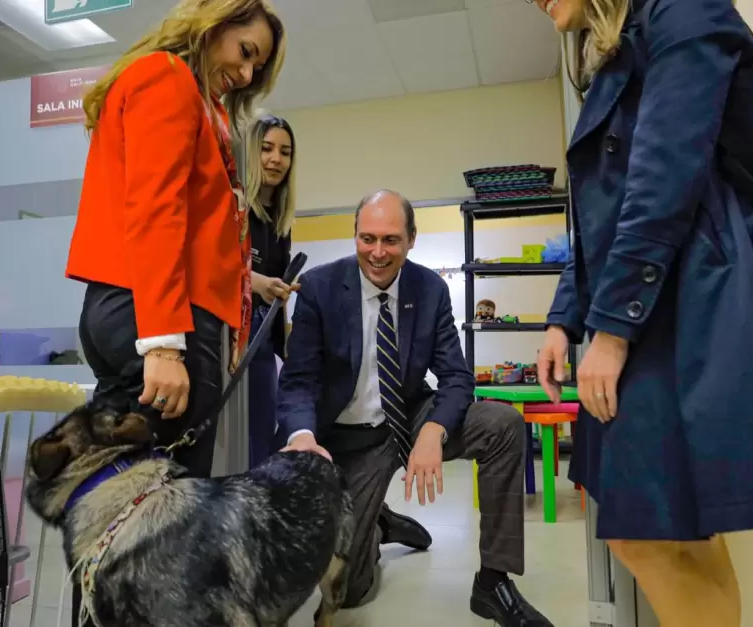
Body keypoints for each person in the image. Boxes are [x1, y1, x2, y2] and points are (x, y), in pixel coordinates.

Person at [533, 2, 753, 627]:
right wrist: (565, 319)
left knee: (651, 530)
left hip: (694, 300)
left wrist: (608, 330)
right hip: (657, 298)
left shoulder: (684, 9)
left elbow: (663, 179)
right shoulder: (617, 45)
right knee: (675, 529)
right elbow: (604, 209)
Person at [64, 1, 285, 624]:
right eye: (245, 53)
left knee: (131, 514)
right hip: (155, 314)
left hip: (141, 308)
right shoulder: (168, 78)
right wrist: (162, 343)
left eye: (258, 68)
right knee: (156, 523)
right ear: (214, 24)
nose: (246, 75)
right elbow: (157, 210)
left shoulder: (184, 95)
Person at [278, 190, 555, 627]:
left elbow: (457, 377)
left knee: (503, 423)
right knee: (348, 592)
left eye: (390, 239)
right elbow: (298, 380)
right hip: (348, 439)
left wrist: (435, 430)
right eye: (367, 238)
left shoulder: (429, 289)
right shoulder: (319, 288)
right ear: (355, 236)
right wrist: (303, 435)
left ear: (411, 239)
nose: (378, 252)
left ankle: (493, 582)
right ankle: (381, 526)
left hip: (409, 416)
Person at [243, 112, 298, 467]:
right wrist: (253, 282)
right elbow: (205, 270)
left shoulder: (279, 222)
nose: (276, 159)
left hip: (262, 345)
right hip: (227, 344)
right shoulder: (232, 209)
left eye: (285, 151)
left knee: (263, 439)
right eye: (266, 149)